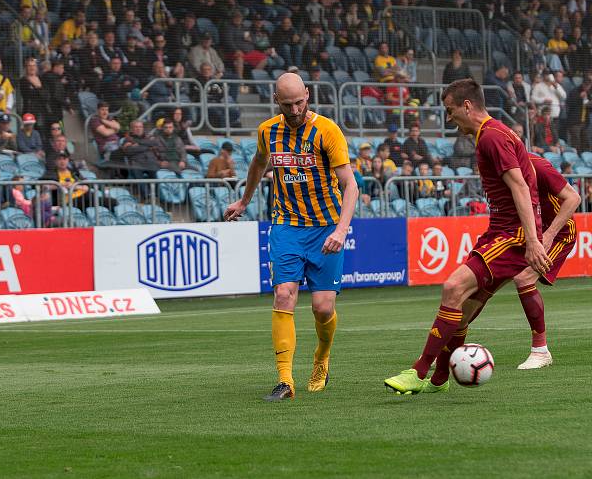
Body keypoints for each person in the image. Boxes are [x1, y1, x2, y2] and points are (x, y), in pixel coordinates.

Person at [384, 78, 551, 395]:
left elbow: (519, 186)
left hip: (512, 234)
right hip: (502, 231)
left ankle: (419, 371)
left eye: (450, 111)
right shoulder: (493, 134)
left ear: (467, 106)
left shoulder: (491, 137)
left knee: (452, 287)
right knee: (462, 308)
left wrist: (531, 239)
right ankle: (439, 379)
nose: (449, 119)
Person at [224, 72, 359, 402]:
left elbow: (350, 185)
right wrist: (244, 200)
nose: (295, 109)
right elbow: (258, 163)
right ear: (276, 101)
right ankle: (285, 380)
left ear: (308, 96)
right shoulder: (267, 132)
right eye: (288, 104)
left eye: (300, 102)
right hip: (286, 225)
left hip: (326, 227)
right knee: (284, 294)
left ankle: (321, 359)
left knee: (322, 308)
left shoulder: (327, 131)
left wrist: (341, 230)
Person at [460, 154, 581, 370]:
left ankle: (541, 351)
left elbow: (574, 198)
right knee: (479, 285)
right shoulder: (498, 173)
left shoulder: (538, 166)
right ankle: (449, 350)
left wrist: (549, 235)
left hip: (558, 233)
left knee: (524, 277)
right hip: (523, 233)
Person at [19, 57, 52, 136]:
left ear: (37, 67)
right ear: (26, 68)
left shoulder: (42, 79)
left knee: (44, 134)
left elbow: (47, 95)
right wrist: (39, 88)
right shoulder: (23, 80)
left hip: (43, 111)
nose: (32, 68)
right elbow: (29, 94)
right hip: (30, 111)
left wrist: (37, 88)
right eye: (29, 66)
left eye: (34, 65)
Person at [565, 76, 592, 152]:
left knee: (585, 142)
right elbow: (569, 104)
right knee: (576, 143)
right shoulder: (574, 91)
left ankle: (585, 159)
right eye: (586, 85)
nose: (587, 87)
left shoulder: (589, 93)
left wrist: (588, 102)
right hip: (574, 123)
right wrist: (579, 98)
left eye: (589, 86)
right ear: (583, 84)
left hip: (585, 122)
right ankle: (576, 159)